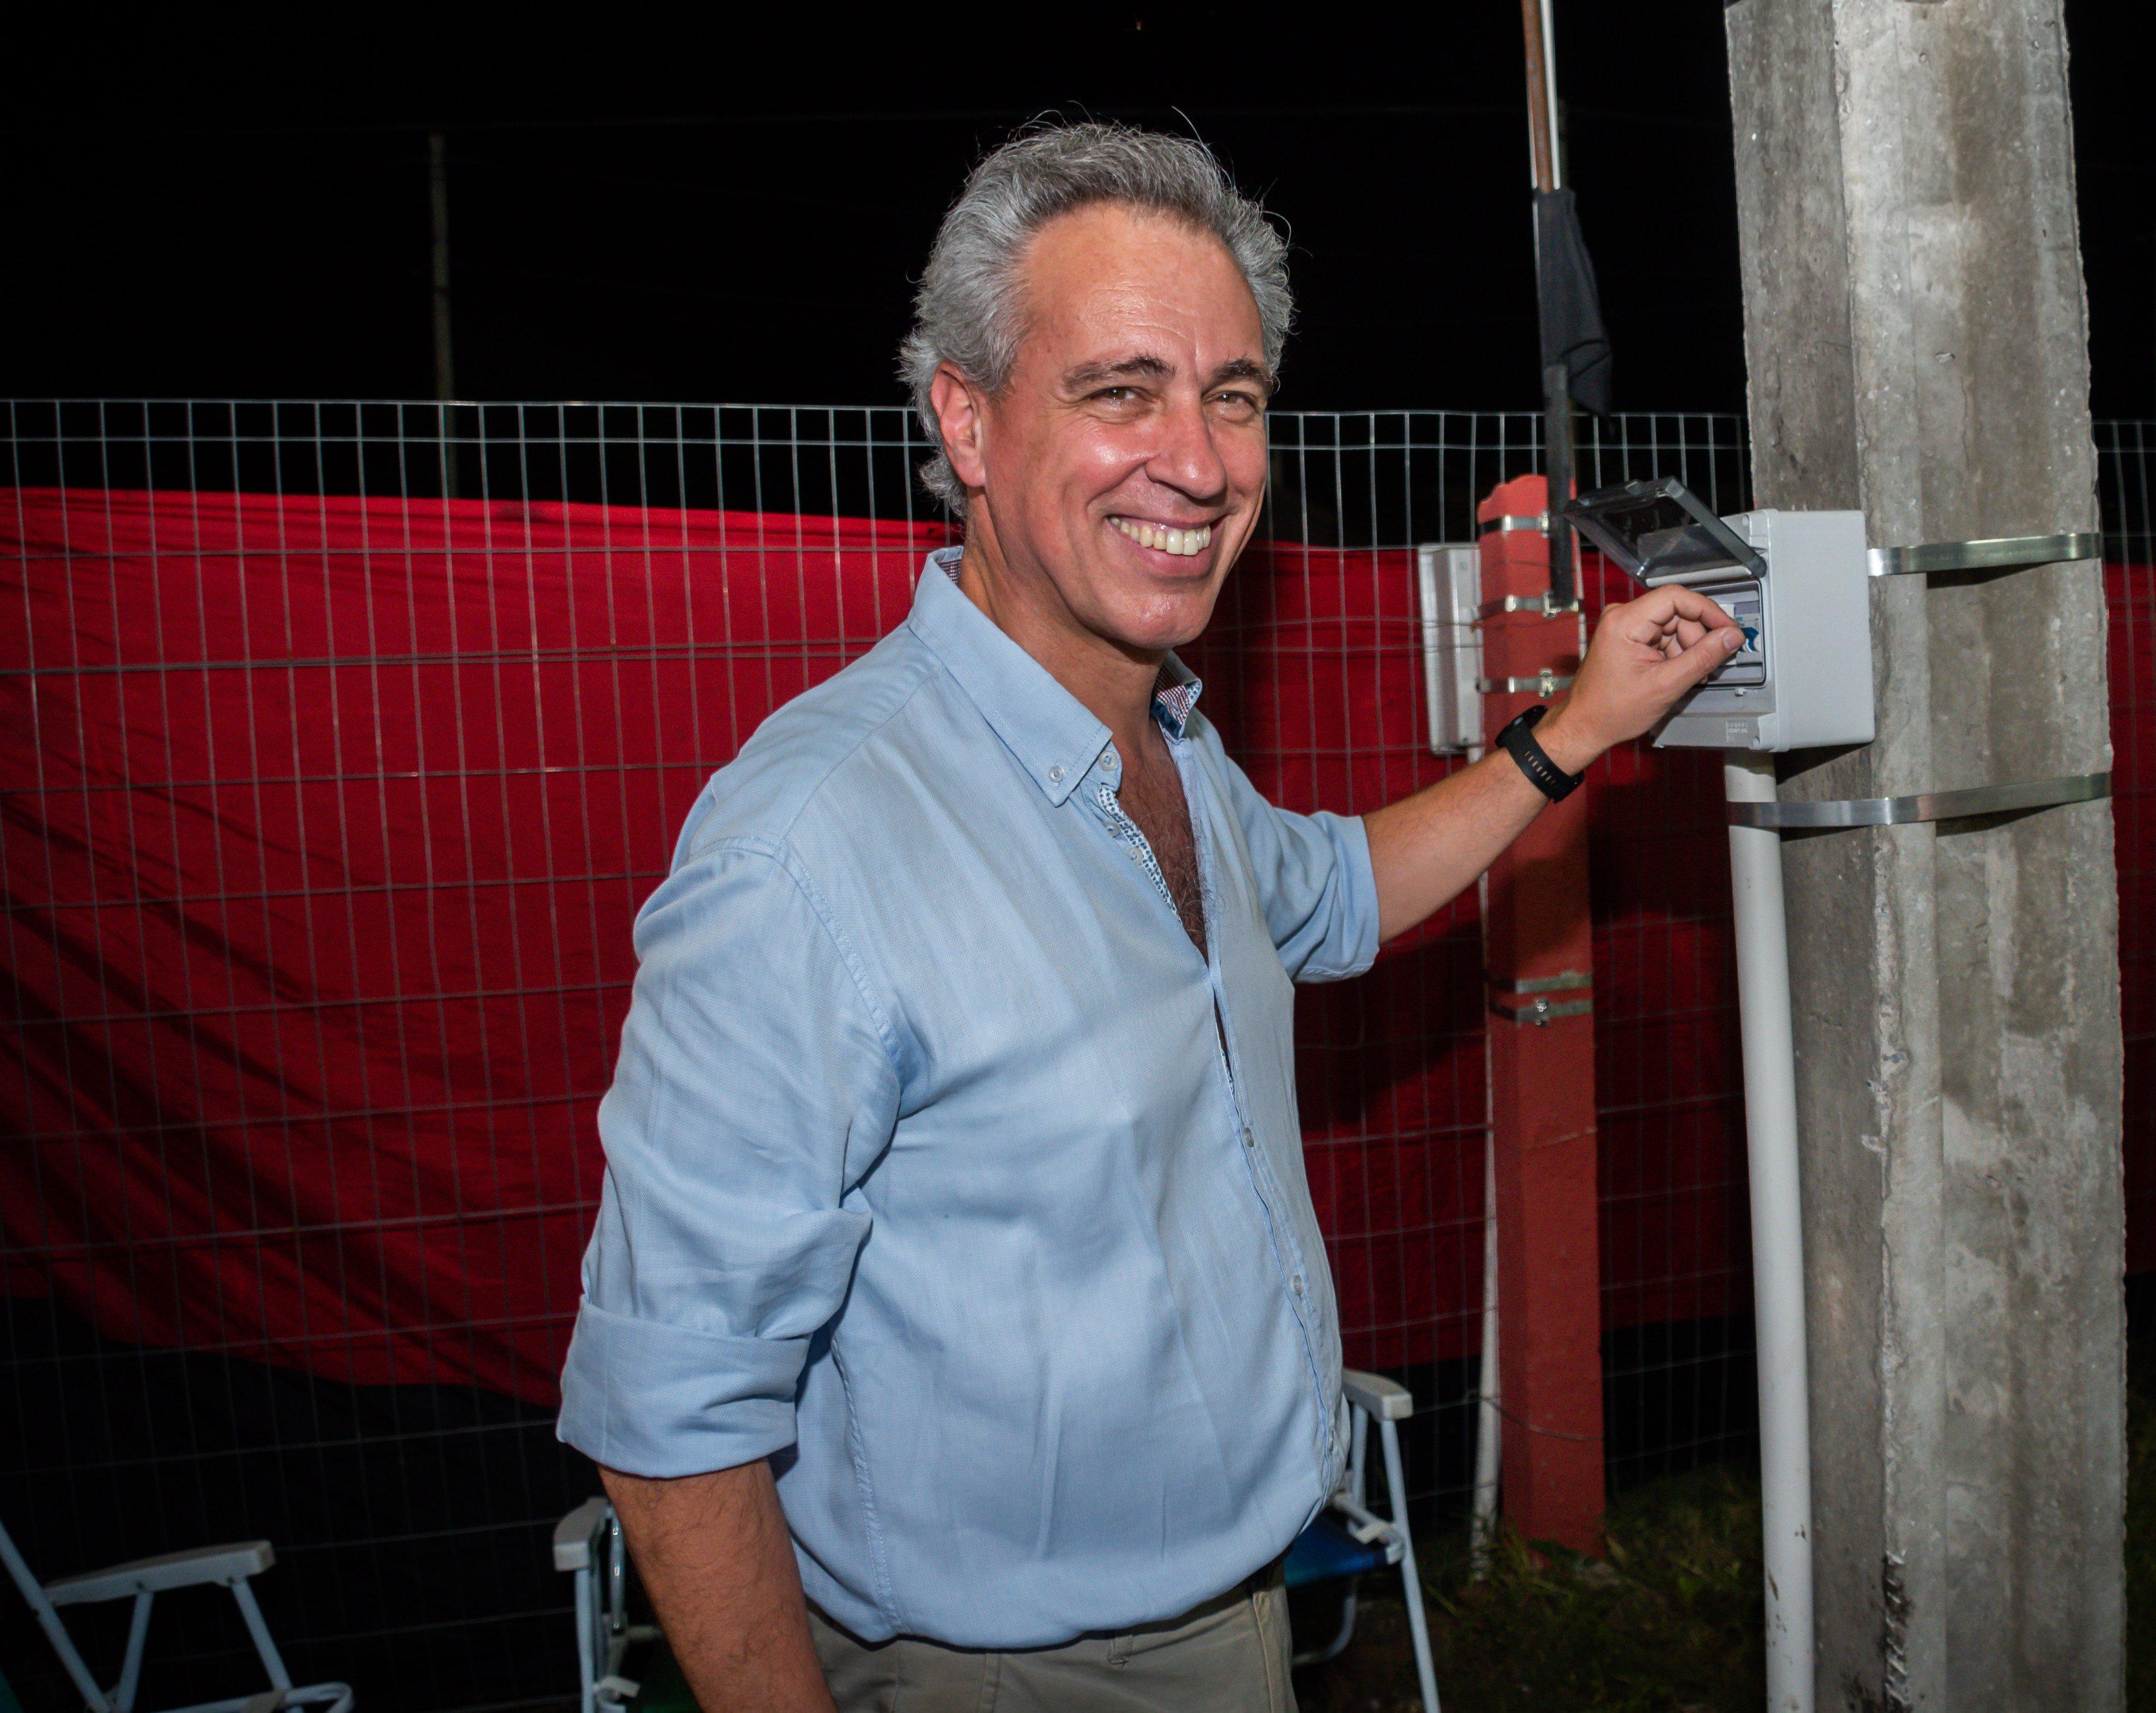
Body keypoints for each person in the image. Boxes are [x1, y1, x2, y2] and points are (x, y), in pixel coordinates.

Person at [555, 121, 1741, 1712]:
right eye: (1120, 389)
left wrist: (1571, 731)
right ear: (965, 421)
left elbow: (1323, 898)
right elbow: (671, 1409)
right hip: (996, 1674)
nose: (1197, 459)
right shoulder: (808, 851)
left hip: (1242, 1610)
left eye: (1231, 395)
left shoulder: (1164, 740)